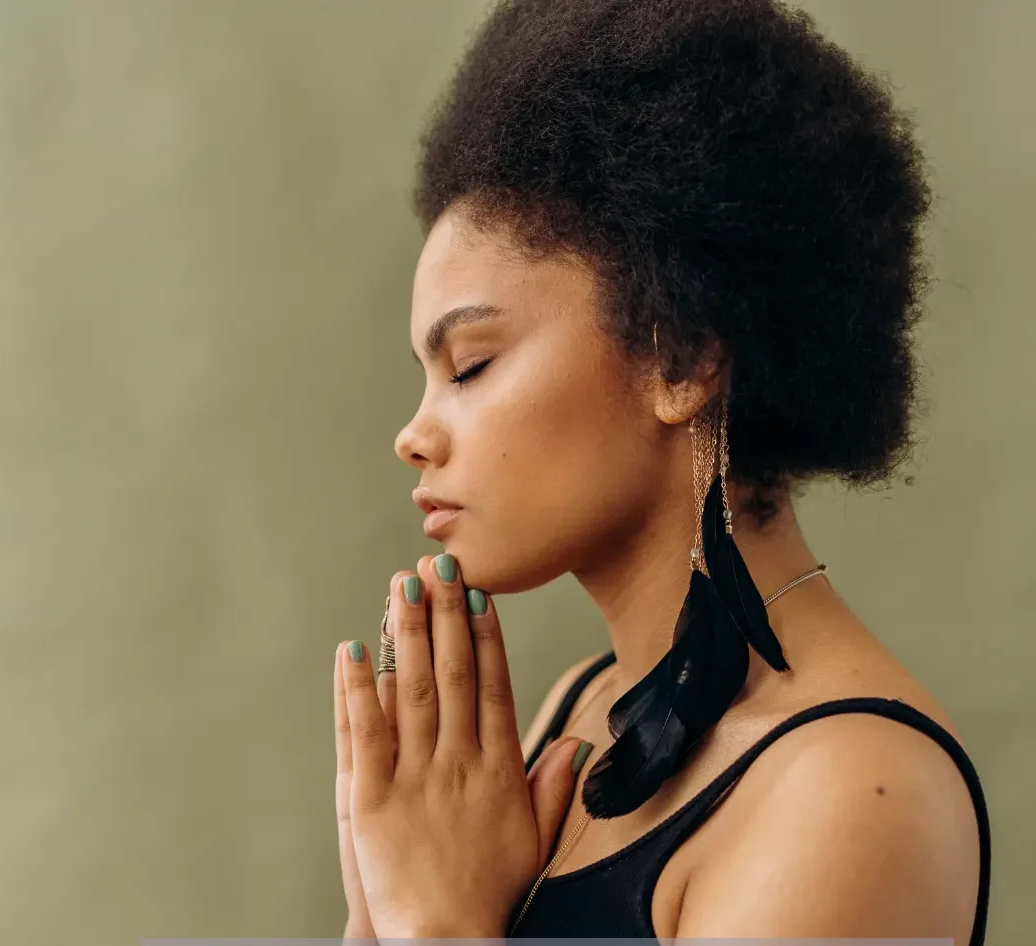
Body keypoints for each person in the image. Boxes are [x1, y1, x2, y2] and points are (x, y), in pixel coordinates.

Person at [332, 0, 990, 941]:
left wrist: (435, 927)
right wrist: (379, 901)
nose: (413, 434)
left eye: (470, 366)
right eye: (425, 378)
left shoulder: (848, 788)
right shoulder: (581, 710)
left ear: (680, 358)